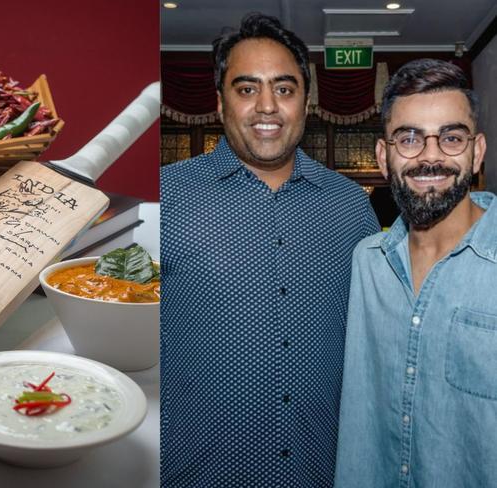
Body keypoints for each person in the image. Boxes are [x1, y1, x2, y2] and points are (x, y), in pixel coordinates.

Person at [161, 13, 379, 487]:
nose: (266, 107)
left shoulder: (352, 209)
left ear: (306, 100)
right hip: (196, 471)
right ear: (220, 103)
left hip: (319, 469)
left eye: (283, 89)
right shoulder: (166, 200)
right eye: (246, 89)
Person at [335, 59, 494, 487]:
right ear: (383, 158)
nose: (430, 157)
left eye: (451, 137)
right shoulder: (367, 262)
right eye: (409, 138)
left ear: (477, 152)